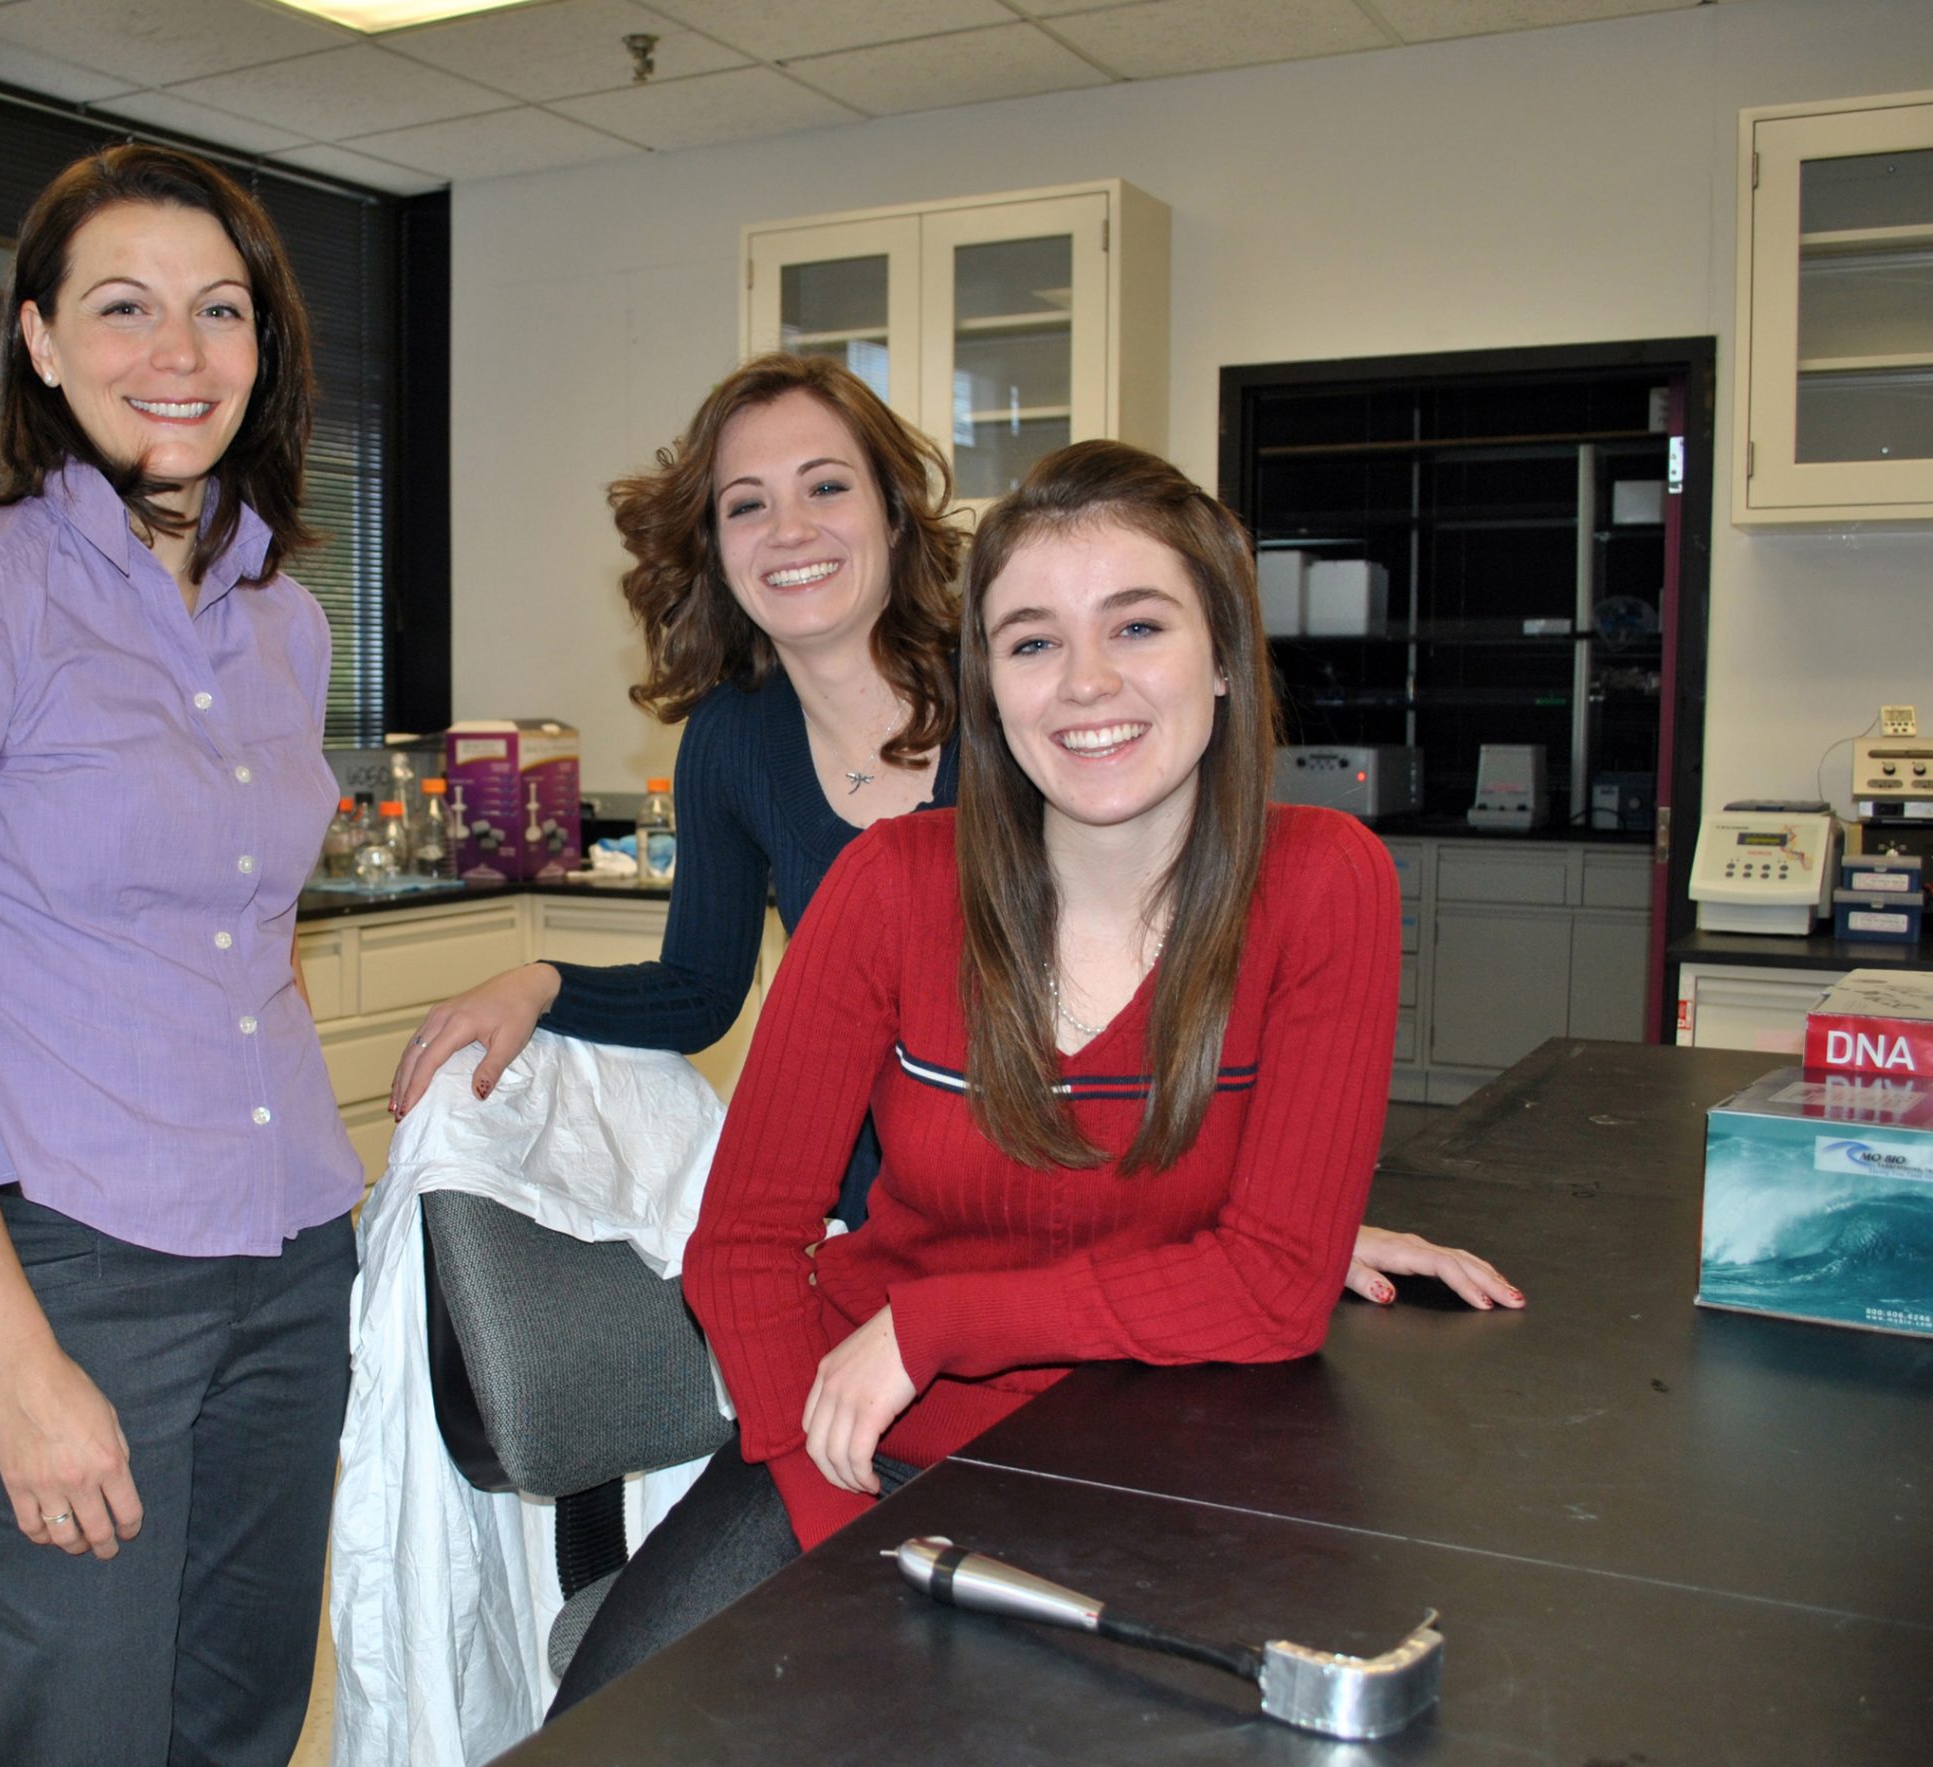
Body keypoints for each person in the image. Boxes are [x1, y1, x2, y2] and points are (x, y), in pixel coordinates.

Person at [551, 436, 1459, 1709]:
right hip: (853, 1443)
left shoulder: (1323, 885)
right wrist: (829, 1510)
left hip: (1156, 1472)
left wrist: (938, 1323)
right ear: (989, 688)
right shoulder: (889, 887)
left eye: (1136, 626)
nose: (1086, 685)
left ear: (1223, 660)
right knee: (601, 1746)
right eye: (1032, 642)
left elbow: (1268, 1293)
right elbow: (745, 1245)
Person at [388, 353, 1514, 1304]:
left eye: (825, 487)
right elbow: (701, 990)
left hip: (1082, 1213)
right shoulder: (732, 740)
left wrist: (1274, 1227)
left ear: (890, 508)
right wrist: (540, 983)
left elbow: (1167, 975)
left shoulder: (1028, 705)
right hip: (880, 1227)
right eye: (746, 503)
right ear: (714, 548)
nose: (789, 529)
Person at [0, 144, 356, 1767]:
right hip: (72, 1269)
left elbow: (248, 939)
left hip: (288, 1258)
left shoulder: (283, 619)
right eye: (124, 308)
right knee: (84, 1757)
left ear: (263, 345)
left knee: (235, 1738)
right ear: (41, 342)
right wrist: (16, 1359)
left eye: (218, 310)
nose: (176, 354)